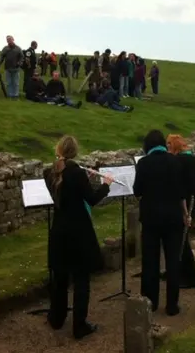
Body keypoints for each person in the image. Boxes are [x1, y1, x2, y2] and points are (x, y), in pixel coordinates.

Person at [44, 136, 114, 340]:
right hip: (78, 232)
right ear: (75, 152)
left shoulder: (49, 172)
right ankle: (79, 325)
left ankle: (56, 319)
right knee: (82, 280)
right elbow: (91, 200)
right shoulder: (77, 173)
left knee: (60, 278)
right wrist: (106, 184)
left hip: (59, 231)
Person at [133, 129, 188, 315]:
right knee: (173, 261)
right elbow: (182, 192)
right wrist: (185, 214)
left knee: (150, 261)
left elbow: (137, 191)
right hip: (173, 217)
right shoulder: (174, 161)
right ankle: (172, 305)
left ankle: (150, 302)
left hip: (150, 218)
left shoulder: (143, 163)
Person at [166, 134, 195, 289]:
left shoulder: (180, 160)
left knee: (182, 241)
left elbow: (179, 184)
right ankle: (179, 272)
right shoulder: (188, 158)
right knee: (181, 240)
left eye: (169, 144)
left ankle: (190, 277)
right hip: (189, 198)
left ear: (175, 145)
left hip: (184, 201)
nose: (167, 147)